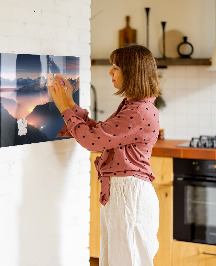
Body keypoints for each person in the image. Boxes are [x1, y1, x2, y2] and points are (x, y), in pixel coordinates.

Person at [49, 44, 161, 266]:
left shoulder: (138, 111)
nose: (110, 72)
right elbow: (100, 133)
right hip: (124, 193)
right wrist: (70, 104)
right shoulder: (134, 106)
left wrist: (64, 108)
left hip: (129, 195)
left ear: (132, 72)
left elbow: (92, 141)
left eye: (116, 67)